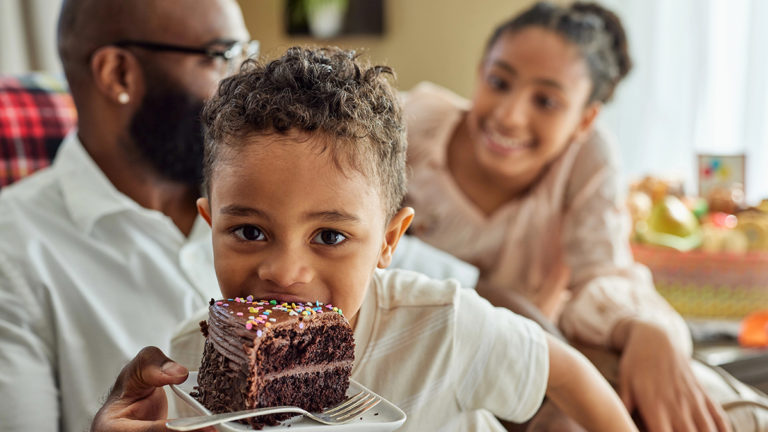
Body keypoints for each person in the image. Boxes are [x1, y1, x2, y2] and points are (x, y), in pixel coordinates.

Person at [90, 46, 638, 432]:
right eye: (249, 231)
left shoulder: (441, 325)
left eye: (328, 235)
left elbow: (566, 372)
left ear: (388, 240)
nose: (284, 271)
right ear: (210, 227)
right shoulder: (195, 362)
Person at [402, 2, 747, 431]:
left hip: (532, 360)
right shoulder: (408, 127)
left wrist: (644, 329)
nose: (510, 115)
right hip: (413, 359)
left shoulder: (585, 160)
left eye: (545, 100)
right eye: (498, 81)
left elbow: (600, 275)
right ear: (480, 70)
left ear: (585, 119)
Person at [0, 0, 253, 430]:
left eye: (246, 54)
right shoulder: (13, 252)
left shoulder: (269, 200)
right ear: (118, 73)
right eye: (221, 56)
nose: (242, 89)